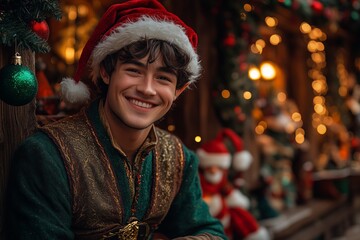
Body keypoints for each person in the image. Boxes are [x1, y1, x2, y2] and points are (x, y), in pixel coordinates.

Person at [5, 1, 227, 239]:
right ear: (106, 72)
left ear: (178, 91)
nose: (147, 89)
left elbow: (210, 231)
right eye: (134, 71)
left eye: (163, 78)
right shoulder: (47, 155)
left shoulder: (179, 158)